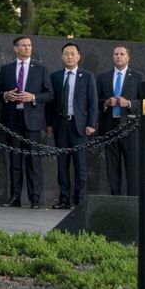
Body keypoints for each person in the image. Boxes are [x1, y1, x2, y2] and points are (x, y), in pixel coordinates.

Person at [0, 36, 52, 209]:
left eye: (29, 45)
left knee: (33, 161)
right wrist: (5, 95)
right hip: (12, 119)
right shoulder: (6, 69)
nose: (27, 48)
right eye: (23, 46)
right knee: (14, 160)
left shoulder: (41, 69)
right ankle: (15, 197)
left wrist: (33, 97)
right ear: (15, 49)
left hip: (32, 121)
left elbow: (49, 94)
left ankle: (35, 198)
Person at [46, 43, 98, 209]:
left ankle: (80, 199)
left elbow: (92, 101)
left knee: (80, 164)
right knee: (62, 164)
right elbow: (50, 103)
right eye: (66, 54)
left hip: (80, 126)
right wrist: (49, 123)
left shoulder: (87, 76)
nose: (69, 56)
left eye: (72, 54)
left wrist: (91, 123)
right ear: (62, 56)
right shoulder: (55, 76)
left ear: (78, 56)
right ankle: (64, 199)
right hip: (61, 124)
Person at [96, 46, 143, 195]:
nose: (118, 56)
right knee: (112, 165)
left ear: (128, 57)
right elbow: (95, 100)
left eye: (122, 54)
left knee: (132, 165)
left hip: (130, 127)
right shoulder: (104, 77)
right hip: (110, 126)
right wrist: (106, 103)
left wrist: (129, 103)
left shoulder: (138, 76)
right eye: (116, 54)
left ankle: (132, 198)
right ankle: (115, 197)